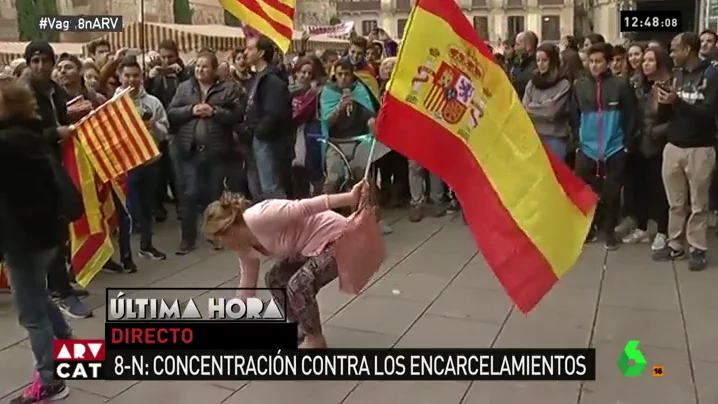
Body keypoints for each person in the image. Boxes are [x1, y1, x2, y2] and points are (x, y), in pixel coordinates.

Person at [202, 181, 366, 349]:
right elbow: (247, 285)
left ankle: (315, 340)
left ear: (229, 228)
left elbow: (305, 206)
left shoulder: (260, 216)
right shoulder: (243, 246)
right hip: (311, 248)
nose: (222, 244)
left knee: (299, 285)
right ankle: (301, 329)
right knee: (275, 279)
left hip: (341, 238)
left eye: (221, 238)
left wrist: (349, 198)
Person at [0, 77, 74, 403]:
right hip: (46, 234)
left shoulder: (7, 144)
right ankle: (69, 347)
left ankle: (50, 380)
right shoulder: (30, 133)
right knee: (39, 294)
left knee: (30, 312)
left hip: (23, 239)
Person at [24, 40, 93, 318]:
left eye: (45, 60)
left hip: (55, 164)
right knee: (50, 228)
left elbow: (62, 117)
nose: (40, 66)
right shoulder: (21, 94)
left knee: (63, 222)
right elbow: (21, 137)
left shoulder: (55, 91)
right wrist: (57, 132)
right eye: (35, 61)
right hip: (33, 170)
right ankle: (60, 292)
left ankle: (61, 283)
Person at [652, 32, 718, 271]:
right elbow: (670, 112)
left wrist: (677, 102)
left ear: (688, 49)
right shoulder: (676, 74)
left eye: (675, 49)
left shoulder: (711, 73)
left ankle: (697, 248)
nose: (671, 54)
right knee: (676, 202)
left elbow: (708, 111)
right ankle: (676, 244)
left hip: (700, 148)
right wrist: (663, 103)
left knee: (699, 203)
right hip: (674, 147)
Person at [167, 51, 245, 255]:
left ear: (214, 68)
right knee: (189, 194)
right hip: (190, 151)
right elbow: (171, 113)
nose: (200, 70)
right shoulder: (185, 88)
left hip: (217, 151)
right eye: (198, 66)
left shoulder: (228, 88)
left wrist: (215, 112)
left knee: (214, 195)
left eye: (205, 66)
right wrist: (191, 110)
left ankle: (215, 235)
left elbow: (237, 115)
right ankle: (188, 238)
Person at [572, 42, 637, 249]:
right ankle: (588, 229)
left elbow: (631, 116)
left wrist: (626, 145)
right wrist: (578, 143)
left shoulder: (621, 85)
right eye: (591, 61)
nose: (594, 65)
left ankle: (609, 232)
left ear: (608, 63)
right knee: (585, 191)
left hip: (614, 148)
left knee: (612, 193)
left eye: (598, 61)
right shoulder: (580, 85)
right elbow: (574, 116)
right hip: (587, 149)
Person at [116, 56, 169, 260]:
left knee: (147, 205)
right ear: (120, 77)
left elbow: (164, 132)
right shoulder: (113, 104)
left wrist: (154, 124)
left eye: (136, 75)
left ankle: (146, 245)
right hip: (125, 164)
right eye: (127, 75)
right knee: (129, 208)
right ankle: (125, 251)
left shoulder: (153, 102)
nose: (131, 80)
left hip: (150, 161)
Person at [622, 46, 671, 251]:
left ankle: (662, 230)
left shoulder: (668, 85)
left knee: (658, 189)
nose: (646, 64)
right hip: (637, 141)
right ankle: (641, 226)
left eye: (651, 60)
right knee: (638, 187)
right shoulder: (636, 84)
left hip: (657, 143)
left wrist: (657, 131)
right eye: (645, 61)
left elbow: (674, 117)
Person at [243, 36, 294, 201]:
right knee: (257, 189)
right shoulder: (256, 78)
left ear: (261, 52)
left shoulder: (273, 81)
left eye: (250, 49)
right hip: (255, 140)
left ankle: (279, 225)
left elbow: (275, 114)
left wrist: (258, 132)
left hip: (268, 142)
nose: (245, 53)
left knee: (271, 189)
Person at [522, 43, 571, 160]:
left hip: (555, 138)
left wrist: (533, 106)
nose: (540, 64)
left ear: (552, 61)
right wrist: (542, 106)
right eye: (538, 60)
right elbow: (523, 107)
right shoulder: (532, 82)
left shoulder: (563, 83)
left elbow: (551, 111)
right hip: (535, 136)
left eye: (544, 60)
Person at [510, 31, 538, 99]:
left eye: (518, 44)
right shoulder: (516, 63)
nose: (515, 48)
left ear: (528, 46)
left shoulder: (537, 66)